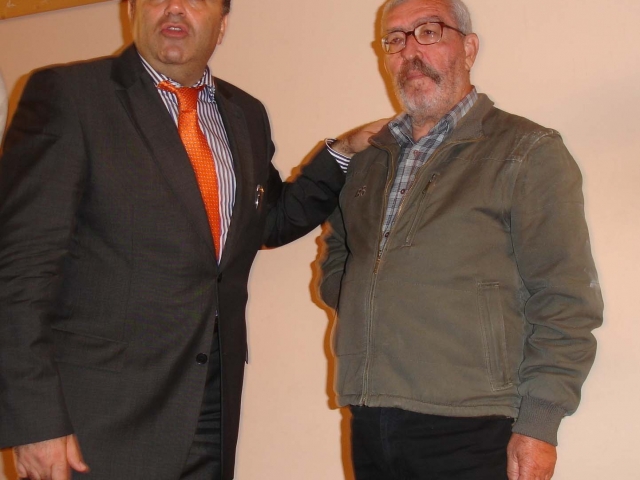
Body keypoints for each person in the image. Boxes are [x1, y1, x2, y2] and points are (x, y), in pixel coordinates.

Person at [0, 0, 373, 478]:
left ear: (222, 23)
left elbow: (266, 220)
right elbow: (19, 270)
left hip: (210, 405)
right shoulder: (70, 95)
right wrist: (35, 422)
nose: (175, 7)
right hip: (95, 419)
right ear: (131, 9)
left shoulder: (246, 114)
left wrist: (343, 152)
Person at [318, 0, 604, 478]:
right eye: (395, 39)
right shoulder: (369, 157)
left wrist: (539, 423)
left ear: (469, 49)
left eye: (429, 32)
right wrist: (365, 299)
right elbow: (338, 252)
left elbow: (566, 299)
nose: (410, 51)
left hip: (475, 422)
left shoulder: (527, 151)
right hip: (369, 412)